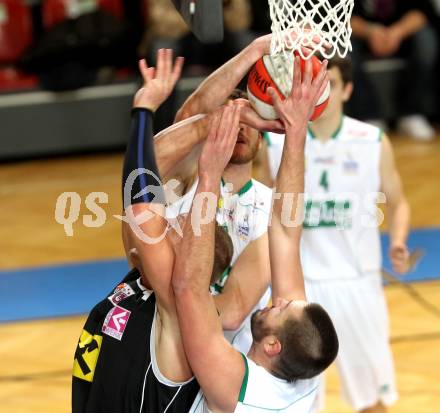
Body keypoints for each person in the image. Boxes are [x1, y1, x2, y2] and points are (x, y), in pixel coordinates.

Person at [72, 49, 241, 412]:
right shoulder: (141, 278)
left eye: (176, 230)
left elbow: (140, 197)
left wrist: (144, 112)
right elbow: (144, 178)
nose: (167, 224)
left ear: (187, 264)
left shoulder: (177, 309)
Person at [171, 57, 339, 413]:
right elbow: (287, 230)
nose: (276, 300)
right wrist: (296, 132)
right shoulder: (301, 366)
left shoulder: (236, 384)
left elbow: (201, 299)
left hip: (189, 349)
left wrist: (207, 179)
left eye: (282, 308)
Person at [264, 57, 411, 413]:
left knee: (371, 398)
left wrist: (398, 241)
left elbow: (400, 202)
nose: (321, 91)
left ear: (347, 89)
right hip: (300, 287)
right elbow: (267, 212)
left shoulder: (373, 141)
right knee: (296, 400)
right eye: (314, 83)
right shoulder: (274, 142)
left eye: (328, 82)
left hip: (358, 281)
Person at [152, 33, 286, 353]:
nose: (239, 126)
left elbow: (236, 307)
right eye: (229, 119)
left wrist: (183, 311)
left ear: (263, 133)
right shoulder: (188, 177)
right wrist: (254, 51)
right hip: (170, 345)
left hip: (230, 354)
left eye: (247, 119)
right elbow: (187, 118)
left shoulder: (273, 207)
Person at [350, 0, 438, 140]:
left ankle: (411, 112)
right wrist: (371, 32)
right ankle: (368, 113)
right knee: (343, 47)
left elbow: (423, 11)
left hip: (402, 33)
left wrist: (397, 32)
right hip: (361, 34)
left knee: (426, 40)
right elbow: (340, 15)